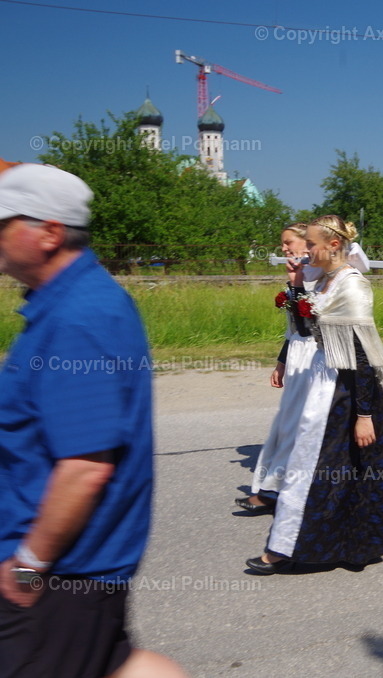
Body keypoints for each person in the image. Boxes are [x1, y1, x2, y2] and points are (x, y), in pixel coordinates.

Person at [0, 164, 187, 677]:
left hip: (60, 569)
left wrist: (30, 564)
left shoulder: (79, 319)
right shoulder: (71, 304)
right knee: (116, 663)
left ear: (49, 233)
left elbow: (84, 467)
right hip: (75, 570)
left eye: (2, 224)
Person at [246, 215, 383, 574]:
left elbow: (362, 355)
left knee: (317, 467)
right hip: (324, 382)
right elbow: (304, 327)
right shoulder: (326, 280)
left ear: (333, 245)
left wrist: (364, 415)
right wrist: (297, 285)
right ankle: (329, 542)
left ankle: (284, 548)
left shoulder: (352, 286)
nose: (306, 250)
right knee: (331, 469)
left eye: (312, 244)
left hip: (346, 391)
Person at [235, 223, 322, 514]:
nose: (284, 249)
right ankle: (276, 488)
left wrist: (297, 286)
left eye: (288, 243)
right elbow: (292, 329)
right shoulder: (298, 273)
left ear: (305, 242)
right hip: (297, 353)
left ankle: (279, 490)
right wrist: (282, 361)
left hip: (314, 356)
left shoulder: (320, 275)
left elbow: (311, 328)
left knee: (300, 424)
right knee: (288, 423)